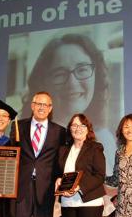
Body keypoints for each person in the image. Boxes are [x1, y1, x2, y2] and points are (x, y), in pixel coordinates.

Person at [20, 34, 117, 176]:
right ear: (44, 82)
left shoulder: (104, 139)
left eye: (82, 69)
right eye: (59, 74)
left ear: (97, 76)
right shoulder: (31, 139)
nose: (72, 83)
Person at [10, 91, 66, 217]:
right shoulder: (18, 126)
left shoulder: (59, 131)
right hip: (21, 187)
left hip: (46, 189)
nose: (42, 107)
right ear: (32, 105)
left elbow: (60, 161)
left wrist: (59, 178)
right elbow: (13, 155)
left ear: (50, 108)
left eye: (46, 105)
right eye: (38, 104)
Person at [56, 113, 106, 217]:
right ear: (70, 128)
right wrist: (58, 180)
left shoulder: (95, 148)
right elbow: (60, 173)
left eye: (82, 125)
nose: (78, 128)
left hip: (90, 203)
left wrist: (79, 187)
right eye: (74, 125)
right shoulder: (63, 150)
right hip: (68, 203)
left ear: (88, 129)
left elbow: (99, 176)